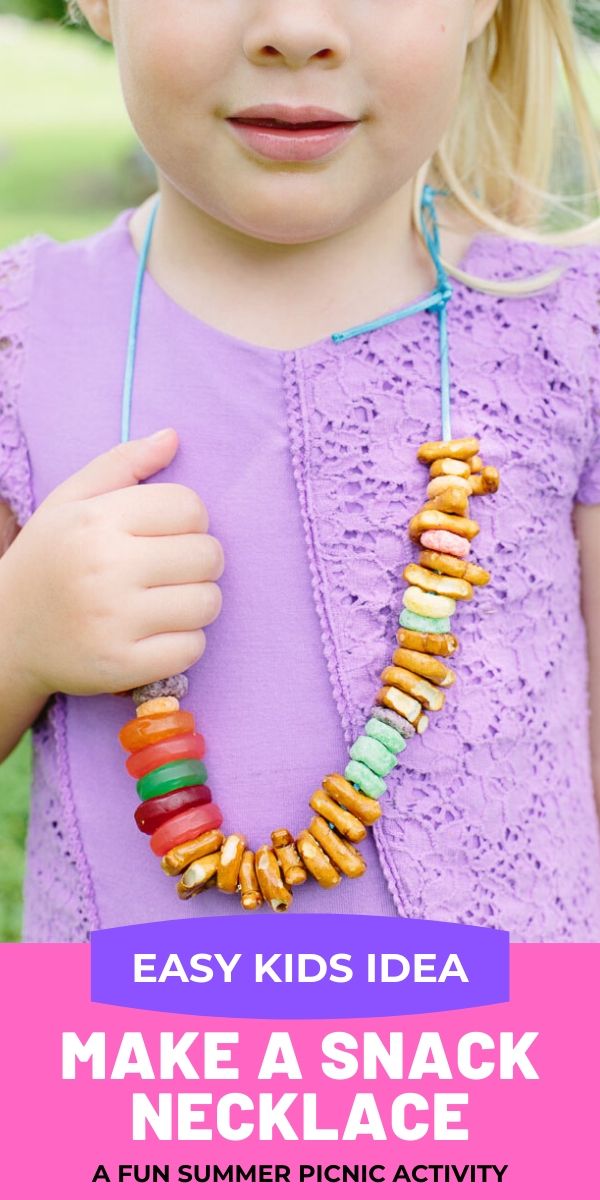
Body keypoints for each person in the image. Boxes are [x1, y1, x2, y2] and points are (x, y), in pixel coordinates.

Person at [0, 0, 598, 942]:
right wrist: (18, 633)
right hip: (141, 1075)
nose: (297, 27)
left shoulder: (568, 330)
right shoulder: (25, 337)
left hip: (492, 1072)